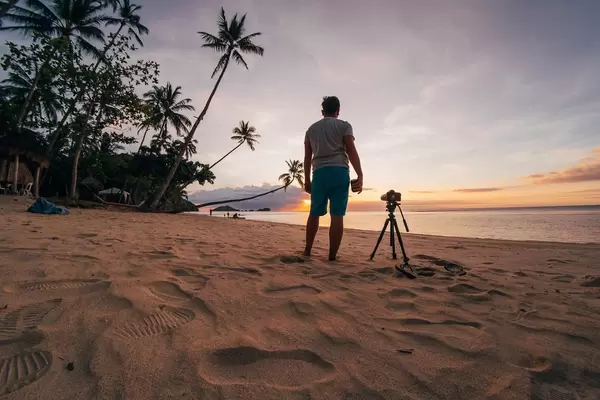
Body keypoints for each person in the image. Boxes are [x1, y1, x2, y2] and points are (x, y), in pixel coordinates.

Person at [303, 96, 363, 261]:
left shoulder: (311, 130)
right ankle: (332, 256)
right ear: (338, 111)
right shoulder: (344, 126)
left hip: (320, 173)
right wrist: (360, 174)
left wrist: (307, 180)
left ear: (323, 111)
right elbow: (350, 149)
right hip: (339, 172)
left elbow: (307, 157)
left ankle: (307, 250)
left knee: (314, 213)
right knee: (337, 215)